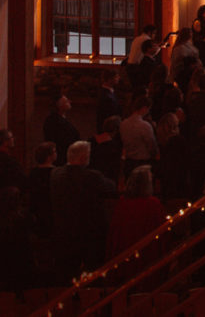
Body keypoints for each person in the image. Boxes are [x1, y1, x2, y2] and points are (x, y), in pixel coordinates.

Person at [51, 141, 116, 281]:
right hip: (89, 231)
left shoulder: (55, 174)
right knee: (93, 270)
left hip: (63, 229)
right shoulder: (92, 176)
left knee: (67, 272)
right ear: (83, 157)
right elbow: (111, 187)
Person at [107, 165, 165, 259]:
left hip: (124, 252)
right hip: (148, 253)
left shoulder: (122, 203)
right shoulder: (153, 204)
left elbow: (114, 235)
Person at [44, 95, 80, 165]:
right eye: (66, 101)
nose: (70, 101)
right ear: (59, 105)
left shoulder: (61, 119)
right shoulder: (54, 121)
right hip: (61, 158)